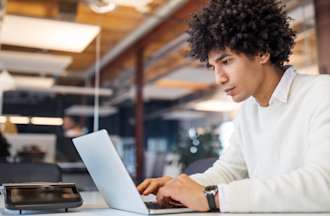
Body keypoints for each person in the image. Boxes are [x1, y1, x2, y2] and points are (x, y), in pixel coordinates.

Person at [137, 0, 330, 212]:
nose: (219, 78)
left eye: (227, 61)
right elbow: (229, 171)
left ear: (262, 52)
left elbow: (323, 183)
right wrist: (181, 187)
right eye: (213, 67)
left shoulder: (322, 93)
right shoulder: (249, 111)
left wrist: (213, 198)